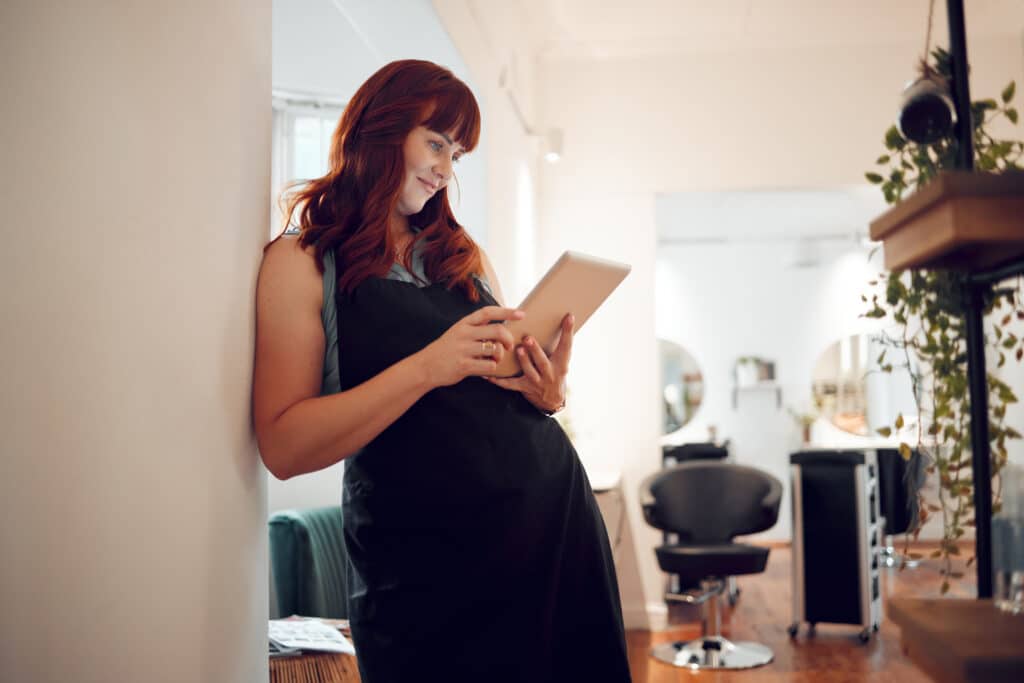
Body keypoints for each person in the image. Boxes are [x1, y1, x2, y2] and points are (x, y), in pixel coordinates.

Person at [253, 59, 631, 682]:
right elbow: (284, 445)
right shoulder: (301, 261)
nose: (445, 170)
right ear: (380, 128)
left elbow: (498, 392)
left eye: (456, 155)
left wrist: (546, 391)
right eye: (436, 144)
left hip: (552, 531)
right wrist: (428, 366)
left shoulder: (462, 255)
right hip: (424, 569)